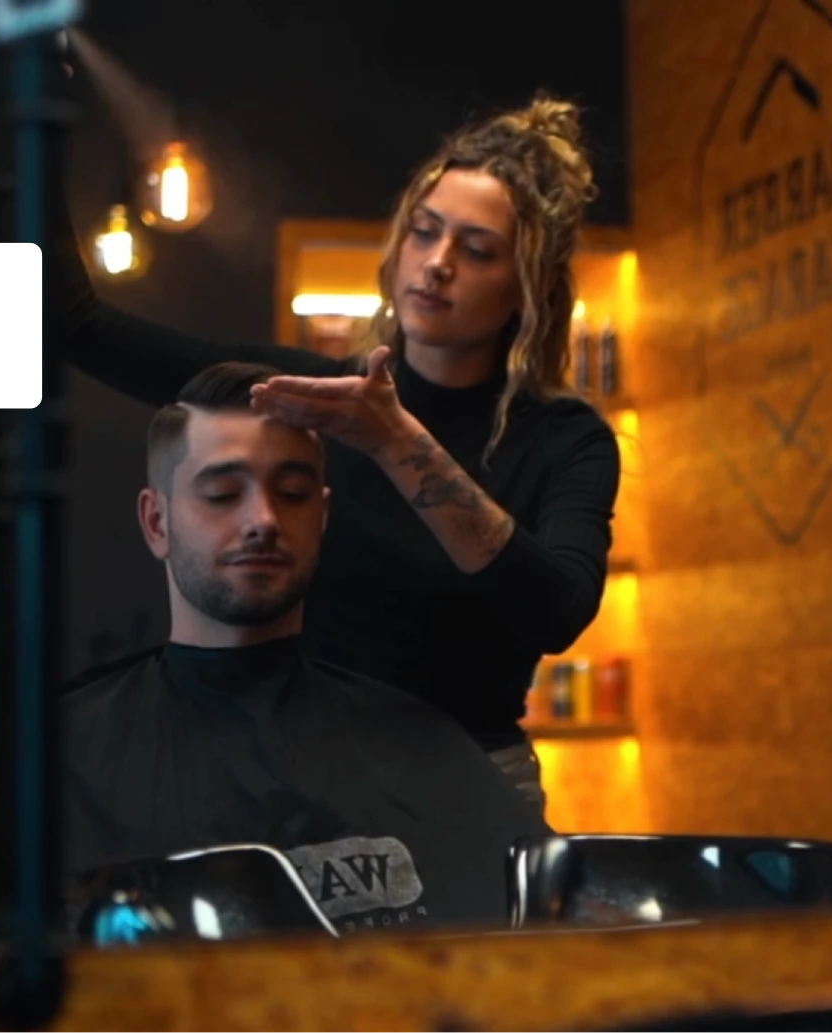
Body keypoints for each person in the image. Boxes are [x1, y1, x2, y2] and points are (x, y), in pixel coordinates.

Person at [52, 85, 621, 810]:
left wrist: (396, 441)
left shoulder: (565, 439)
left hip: (470, 784)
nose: (437, 263)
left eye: (476, 249)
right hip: (311, 769)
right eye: (423, 232)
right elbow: (75, 325)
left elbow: (557, 611)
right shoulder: (315, 394)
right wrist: (24, 120)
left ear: (528, 286)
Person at [62, 362, 549, 933]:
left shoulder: (419, 743)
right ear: (156, 522)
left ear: (321, 516)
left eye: (292, 494)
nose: (263, 519)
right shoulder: (63, 755)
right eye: (222, 494)